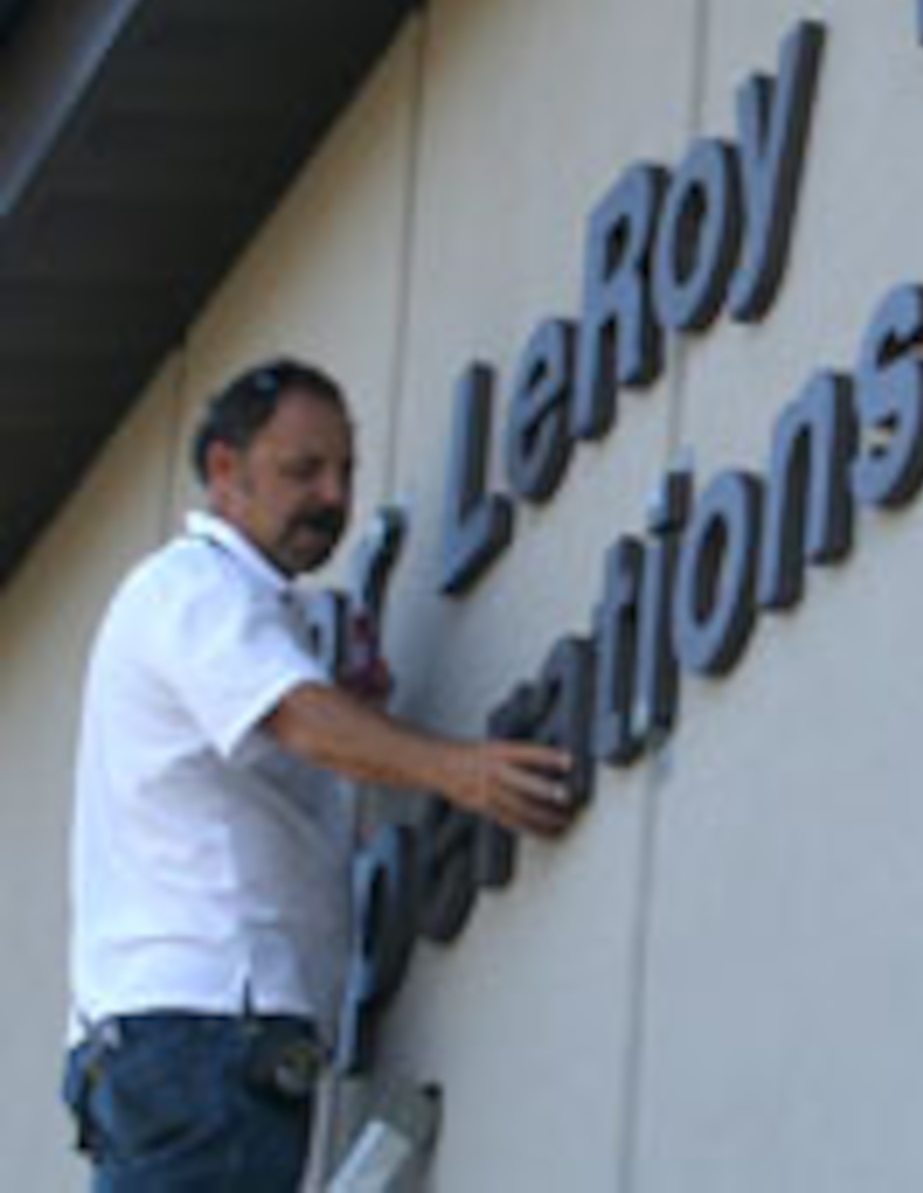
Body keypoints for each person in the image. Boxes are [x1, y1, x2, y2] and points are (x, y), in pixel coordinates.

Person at [62, 358, 576, 1190]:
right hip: (208, 1027)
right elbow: (295, 716)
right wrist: (459, 770)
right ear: (225, 470)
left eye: (345, 472)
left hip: (173, 1043)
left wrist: (339, 673)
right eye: (303, 470)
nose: (333, 497)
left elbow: (302, 704)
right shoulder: (191, 589)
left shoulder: (254, 610)